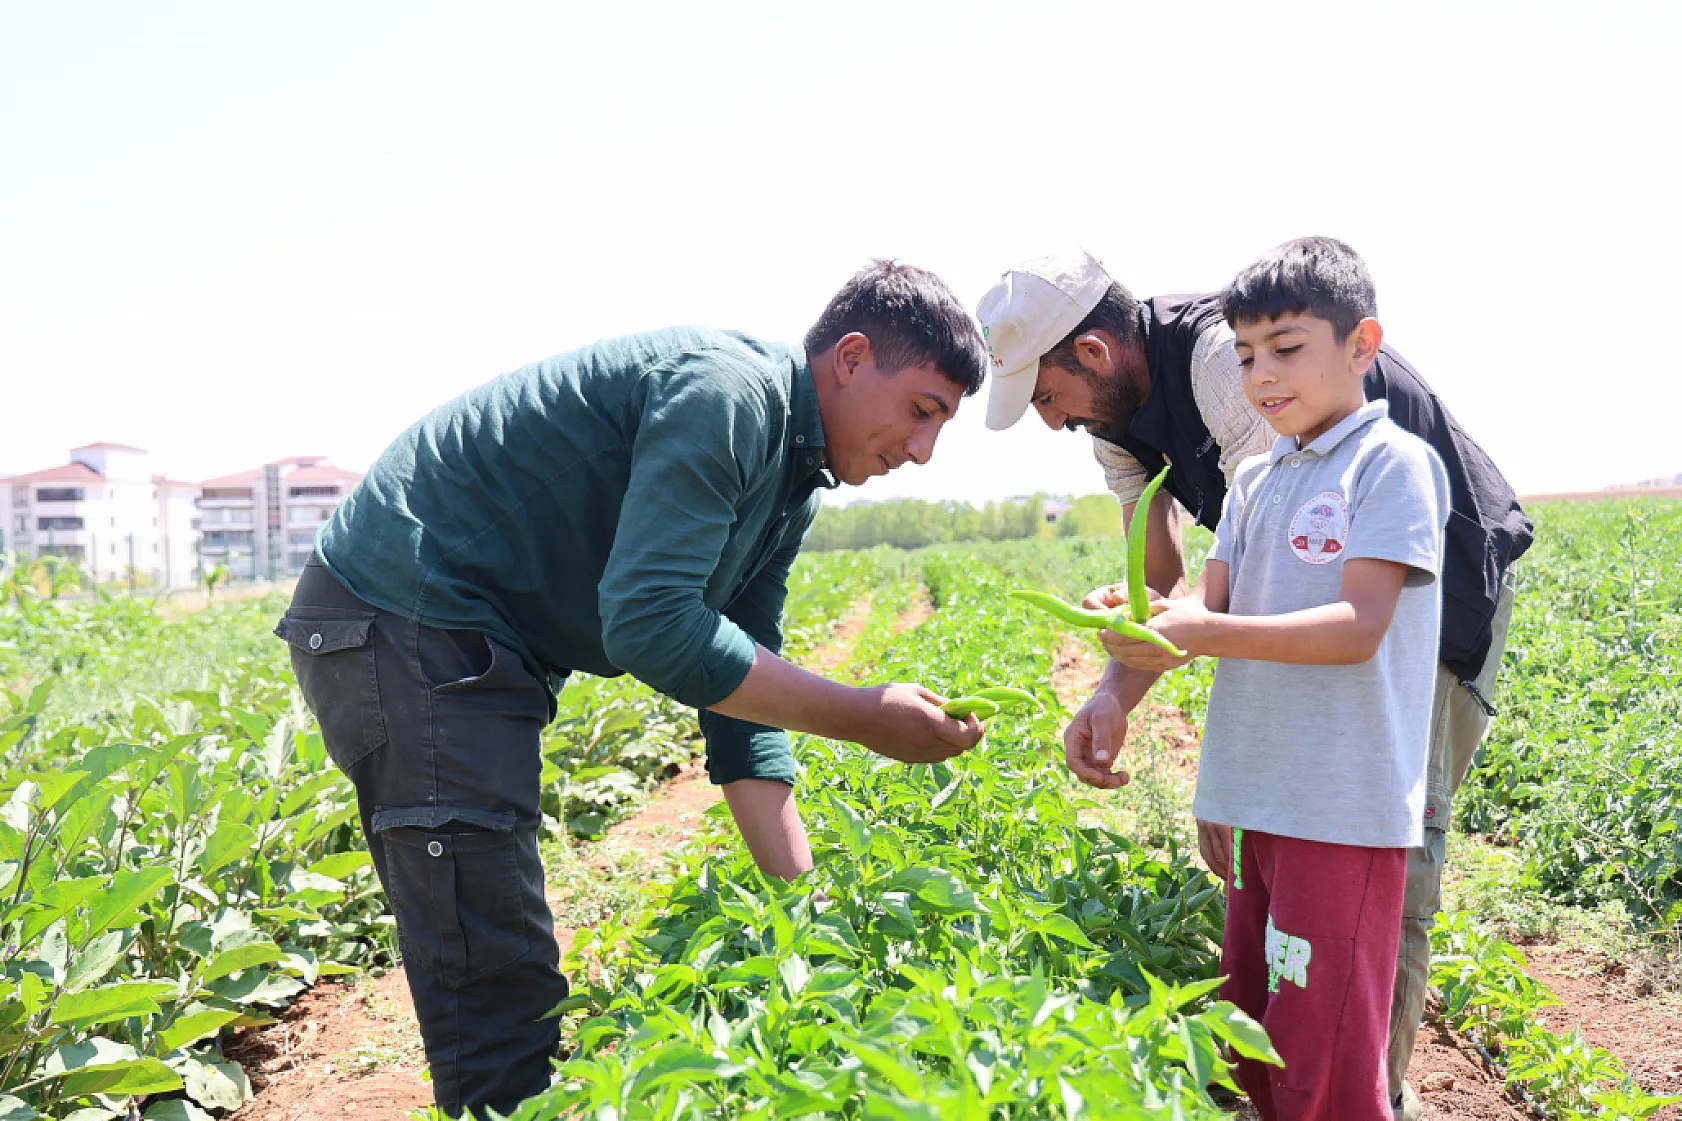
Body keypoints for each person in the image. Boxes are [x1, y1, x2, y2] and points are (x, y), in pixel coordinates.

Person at [275, 260, 989, 1119]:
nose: (923, 451)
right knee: (492, 960)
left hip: (467, 633)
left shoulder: (789, 482)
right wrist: (864, 714)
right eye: (922, 411)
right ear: (851, 356)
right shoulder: (728, 398)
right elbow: (649, 624)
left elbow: (740, 703)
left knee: (499, 938)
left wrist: (812, 925)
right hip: (404, 607)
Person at [976, 244, 1531, 1118]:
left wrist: (1196, 626)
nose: (1051, 420)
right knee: (1264, 1005)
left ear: (1089, 354)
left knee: (1368, 935)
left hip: (1434, 608)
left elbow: (1316, 617)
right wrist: (1117, 682)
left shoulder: (1268, 399)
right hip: (1279, 752)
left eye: (1047, 397)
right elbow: (1186, 591)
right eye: (1252, 356)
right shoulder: (1192, 453)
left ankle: (1372, 1086)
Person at [1105, 237, 1449, 1119]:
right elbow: (1196, 611)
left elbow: (1358, 628)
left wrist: (1204, 627)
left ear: (1362, 345)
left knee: (1322, 1059)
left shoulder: (1392, 466)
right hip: (1259, 803)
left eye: (1288, 348)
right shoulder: (1253, 480)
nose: (1262, 374)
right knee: (1253, 1039)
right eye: (1248, 353)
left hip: (1341, 807)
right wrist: (1131, 622)